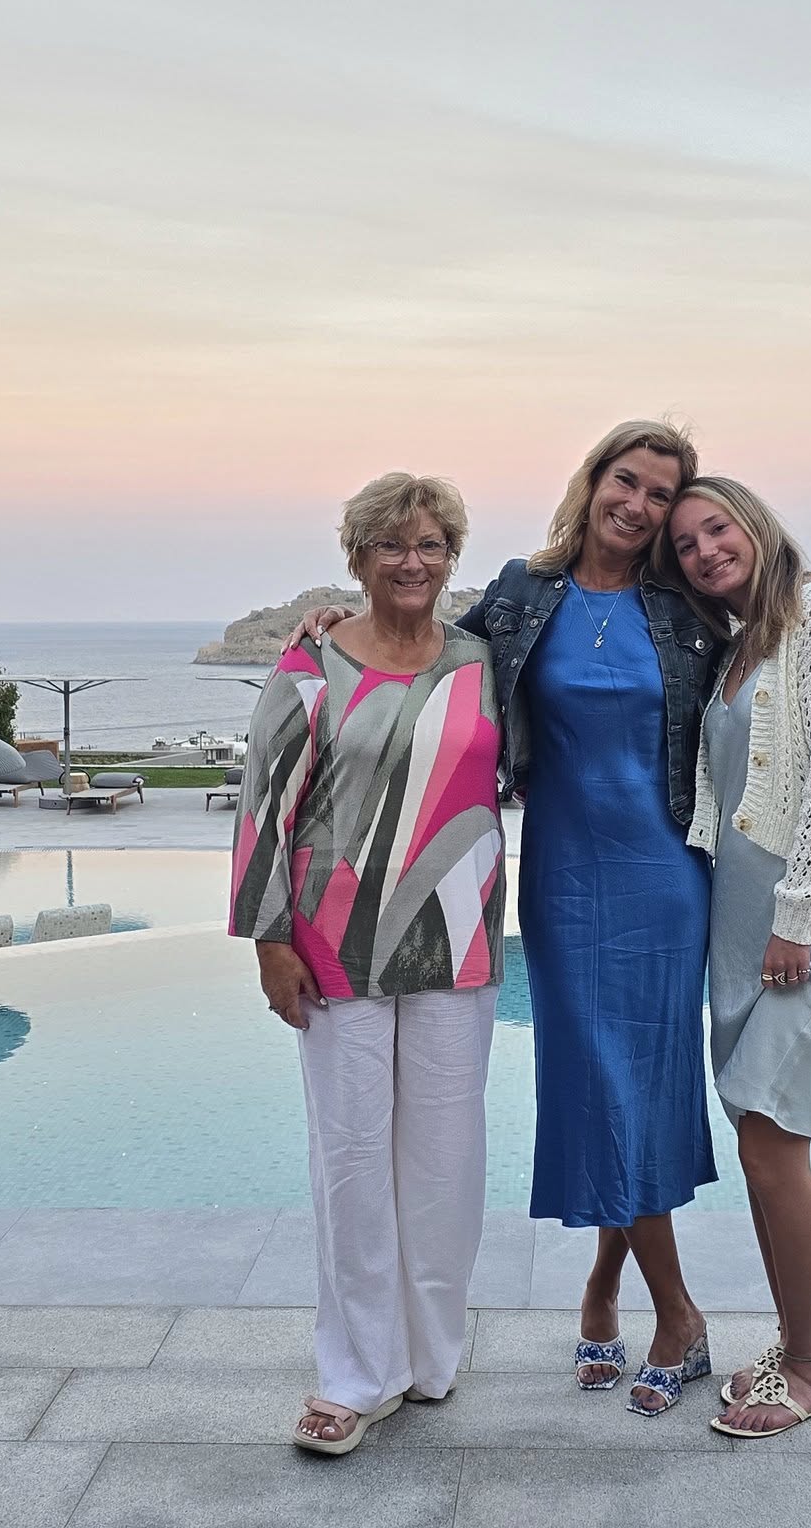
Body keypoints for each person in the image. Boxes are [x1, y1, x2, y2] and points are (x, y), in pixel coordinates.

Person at [293, 419, 725, 1415]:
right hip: (563, 876)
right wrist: (331, 625)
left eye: (661, 494)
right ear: (594, 480)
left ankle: (660, 1308)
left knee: (642, 1089)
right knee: (594, 1083)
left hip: (663, 875)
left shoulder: (687, 608)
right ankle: (617, 1292)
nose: (640, 505)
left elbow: (752, 687)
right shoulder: (522, 597)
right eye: (627, 481)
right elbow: (418, 651)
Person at [229, 472, 505, 1455]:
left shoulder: (481, 662)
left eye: (429, 545)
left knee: (443, 1166)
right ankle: (354, 1373)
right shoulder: (310, 666)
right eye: (391, 545)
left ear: (449, 556)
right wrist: (268, 942)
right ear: (357, 556)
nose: (410, 562)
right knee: (352, 1164)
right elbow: (263, 808)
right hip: (333, 945)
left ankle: (430, 1359)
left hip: (457, 940)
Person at [656, 476, 811, 1439]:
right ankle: (795, 1338)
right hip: (744, 935)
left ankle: (809, 1365)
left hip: (809, 932)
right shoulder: (737, 643)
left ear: (754, 523)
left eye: (717, 529)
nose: (706, 551)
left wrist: (798, 915)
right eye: (686, 546)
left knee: (769, 1145)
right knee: (760, 1147)